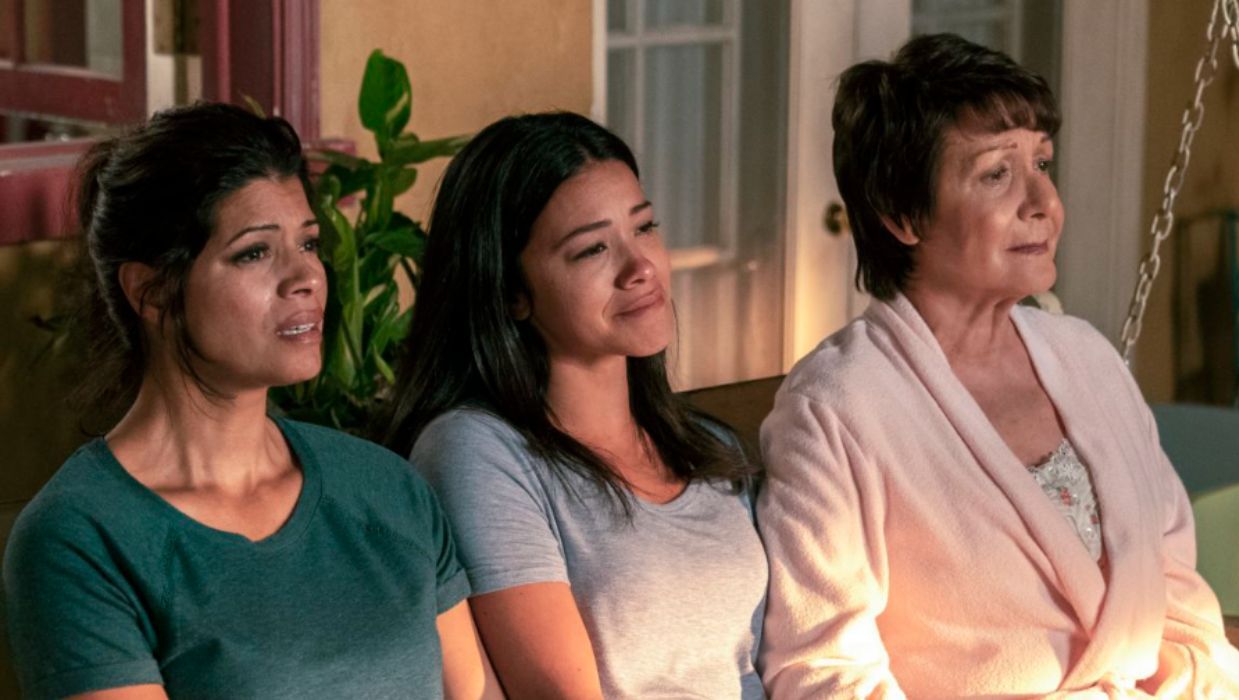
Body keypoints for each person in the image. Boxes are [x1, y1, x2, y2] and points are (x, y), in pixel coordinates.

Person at [756, 34, 1239, 698]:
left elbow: (1178, 599)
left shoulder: (1087, 359)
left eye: (1043, 164)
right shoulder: (835, 408)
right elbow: (820, 672)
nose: (1043, 203)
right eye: (997, 173)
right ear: (903, 213)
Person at [3, 103, 500, 699]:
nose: (306, 278)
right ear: (152, 290)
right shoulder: (80, 541)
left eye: (309, 244)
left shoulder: (386, 490)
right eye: (255, 252)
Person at [380, 111, 767, 699]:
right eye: (591, 250)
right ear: (511, 292)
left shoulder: (710, 450)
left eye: (644, 227)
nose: (640, 267)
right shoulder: (477, 451)